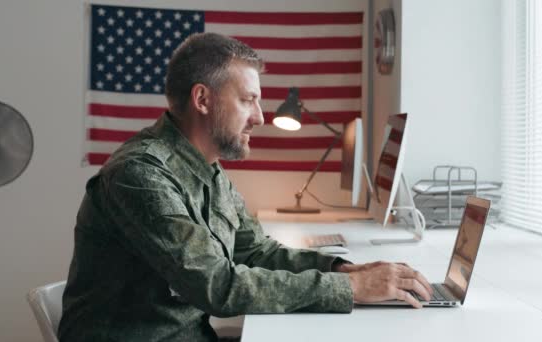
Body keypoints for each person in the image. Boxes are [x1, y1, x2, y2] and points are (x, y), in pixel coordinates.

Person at [58, 32, 433, 342]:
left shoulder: (209, 170)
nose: (260, 116)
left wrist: (344, 272)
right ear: (202, 99)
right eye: (248, 100)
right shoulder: (139, 175)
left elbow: (257, 253)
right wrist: (351, 290)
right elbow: (218, 286)